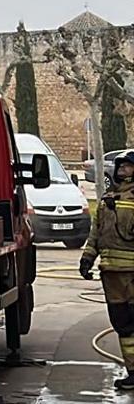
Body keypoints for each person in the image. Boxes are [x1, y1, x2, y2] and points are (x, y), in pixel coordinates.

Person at [80, 148, 134, 390]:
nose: (122, 169)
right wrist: (87, 259)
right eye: (120, 166)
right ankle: (133, 372)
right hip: (111, 274)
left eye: (127, 166)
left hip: (131, 274)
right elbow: (96, 234)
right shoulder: (106, 200)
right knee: (123, 325)